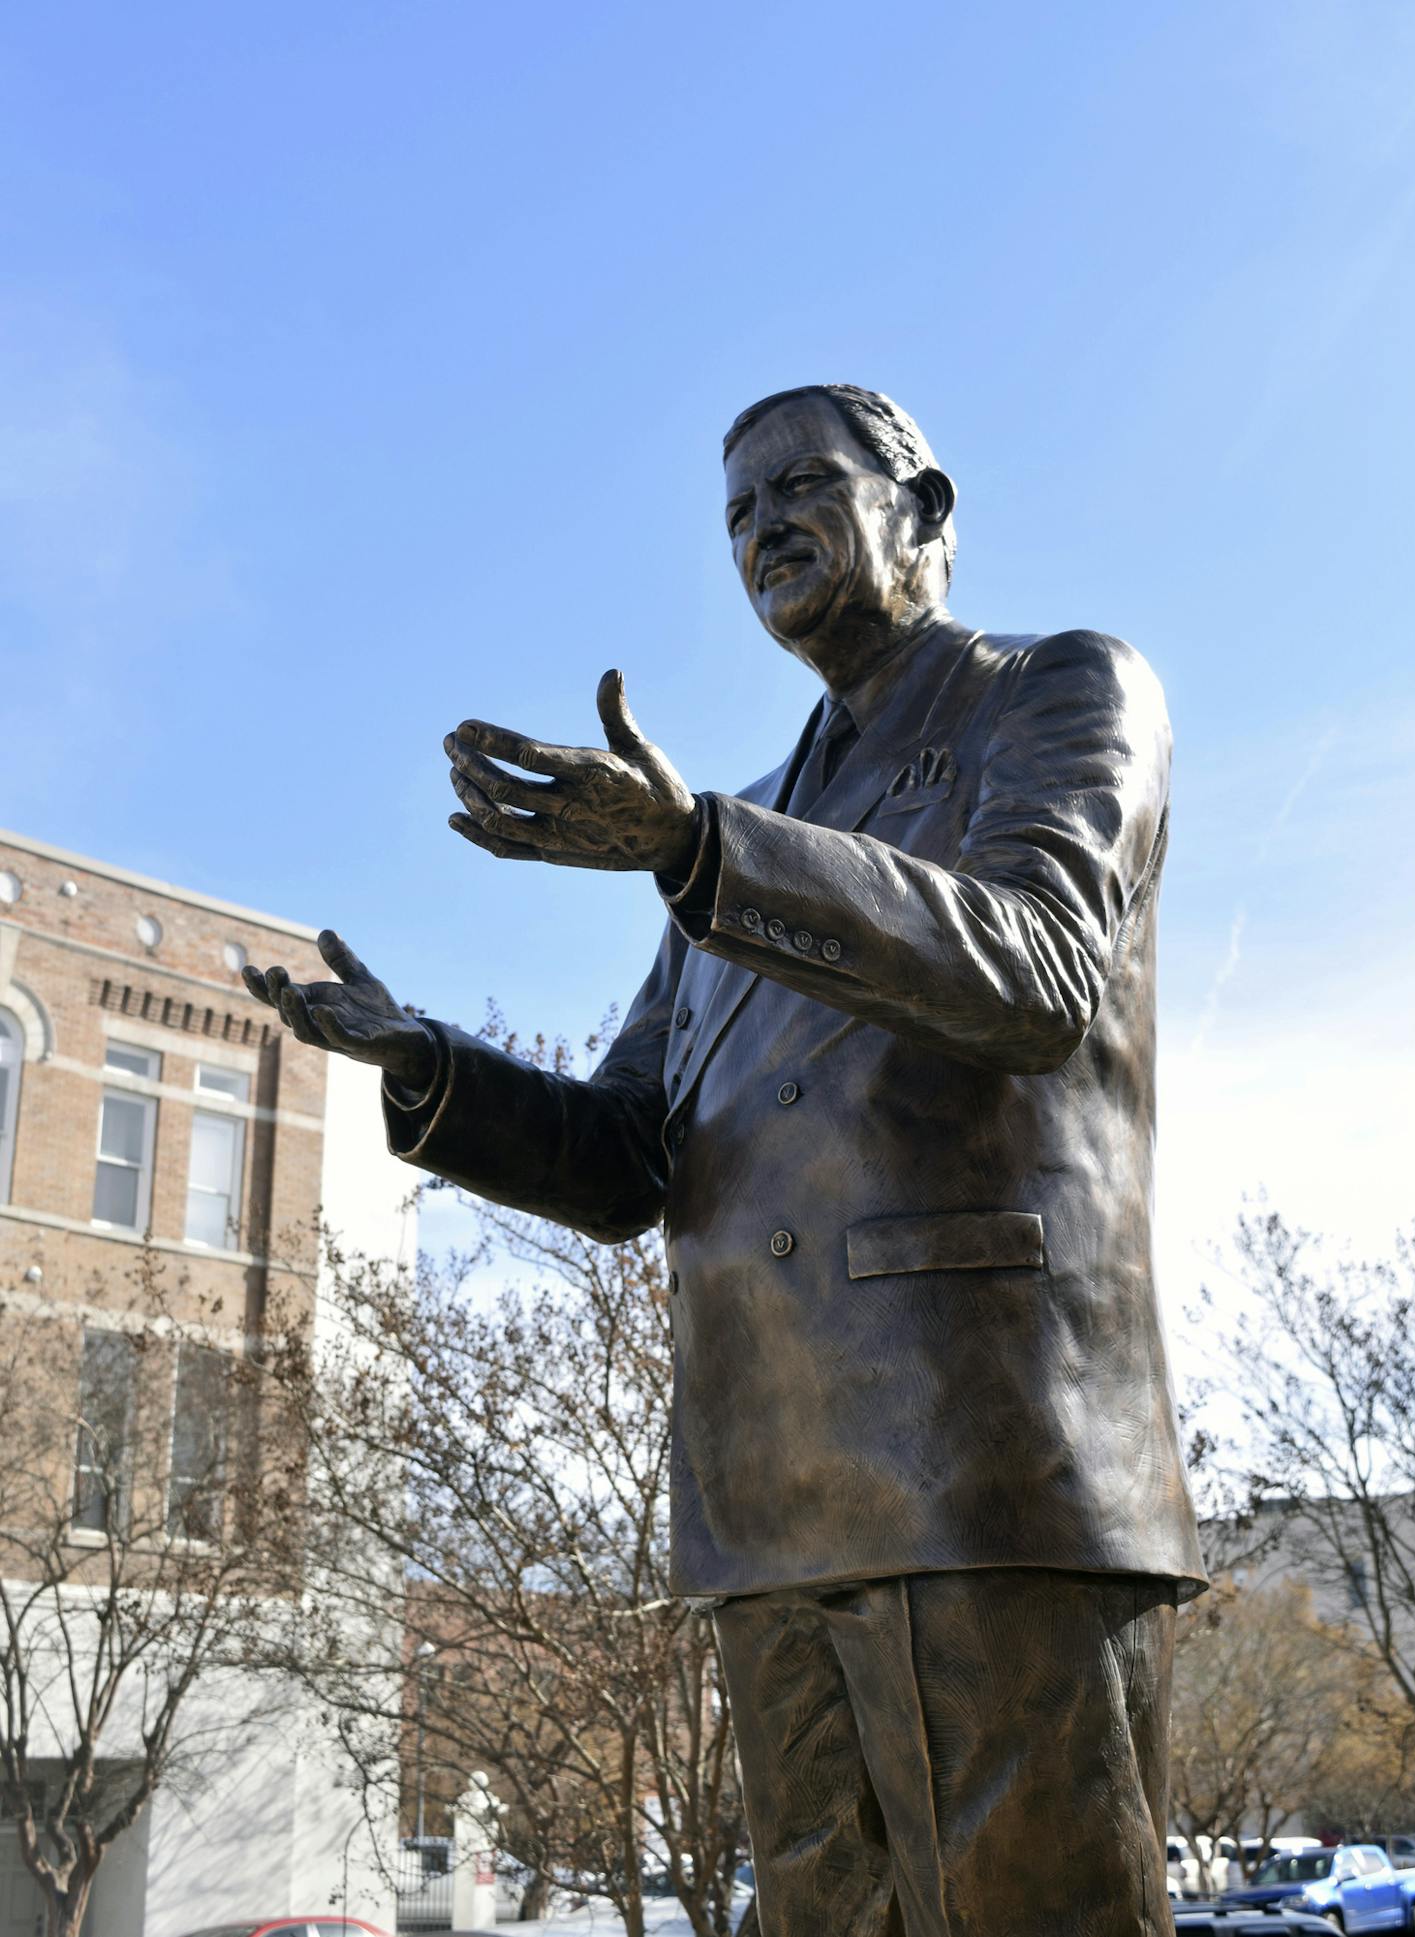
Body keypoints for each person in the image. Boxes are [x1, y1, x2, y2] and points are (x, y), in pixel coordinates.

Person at [245, 384, 1206, 1937]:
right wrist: (426, 1063)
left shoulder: (1058, 693)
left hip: (981, 1464)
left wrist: (701, 856)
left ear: (928, 513)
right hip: (769, 1496)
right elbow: (634, 1154)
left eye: (798, 486)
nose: (761, 524)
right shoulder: (737, 832)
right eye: (735, 512)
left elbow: (1034, 969)